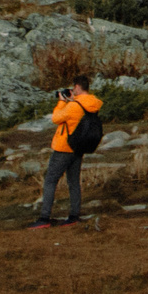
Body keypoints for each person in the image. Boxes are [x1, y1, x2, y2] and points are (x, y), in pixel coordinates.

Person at [31, 77, 104, 228]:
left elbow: (56, 118)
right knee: (74, 182)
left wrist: (61, 101)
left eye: (73, 88)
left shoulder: (73, 106)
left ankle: (44, 218)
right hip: (79, 148)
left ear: (77, 87)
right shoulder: (93, 104)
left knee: (50, 180)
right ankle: (74, 215)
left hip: (64, 148)